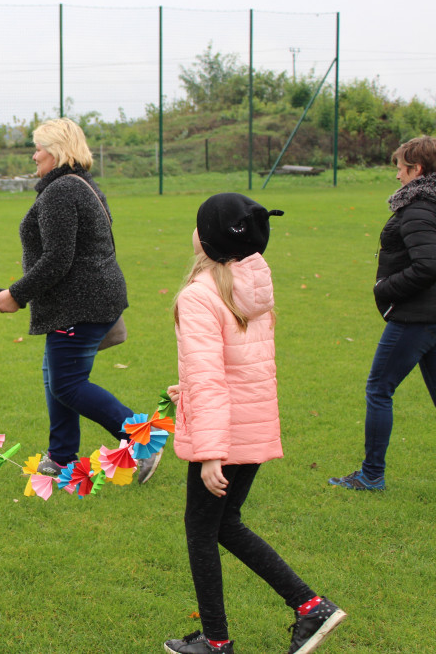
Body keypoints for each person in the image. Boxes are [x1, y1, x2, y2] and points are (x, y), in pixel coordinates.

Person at [164, 194, 345, 654]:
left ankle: (217, 641)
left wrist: (208, 452)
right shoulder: (247, 284)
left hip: (224, 436)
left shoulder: (200, 295)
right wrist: (186, 394)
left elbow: (212, 378)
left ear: (207, 240)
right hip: (247, 424)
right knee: (226, 526)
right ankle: (310, 608)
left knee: (201, 532)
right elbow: (228, 369)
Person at [0, 118, 160, 484]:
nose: (33, 156)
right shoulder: (81, 185)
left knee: (66, 384)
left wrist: (16, 295)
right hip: (89, 299)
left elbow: (58, 258)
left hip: (80, 305)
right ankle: (62, 455)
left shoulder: (61, 192)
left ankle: (141, 437)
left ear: (56, 151)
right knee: (57, 377)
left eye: (38, 148)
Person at [330, 135, 436, 492]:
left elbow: (427, 266)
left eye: (400, 168)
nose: (397, 176)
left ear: (417, 169)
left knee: (378, 389)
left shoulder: (419, 206)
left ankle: (371, 475)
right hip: (428, 316)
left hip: (415, 319)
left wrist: (384, 288)